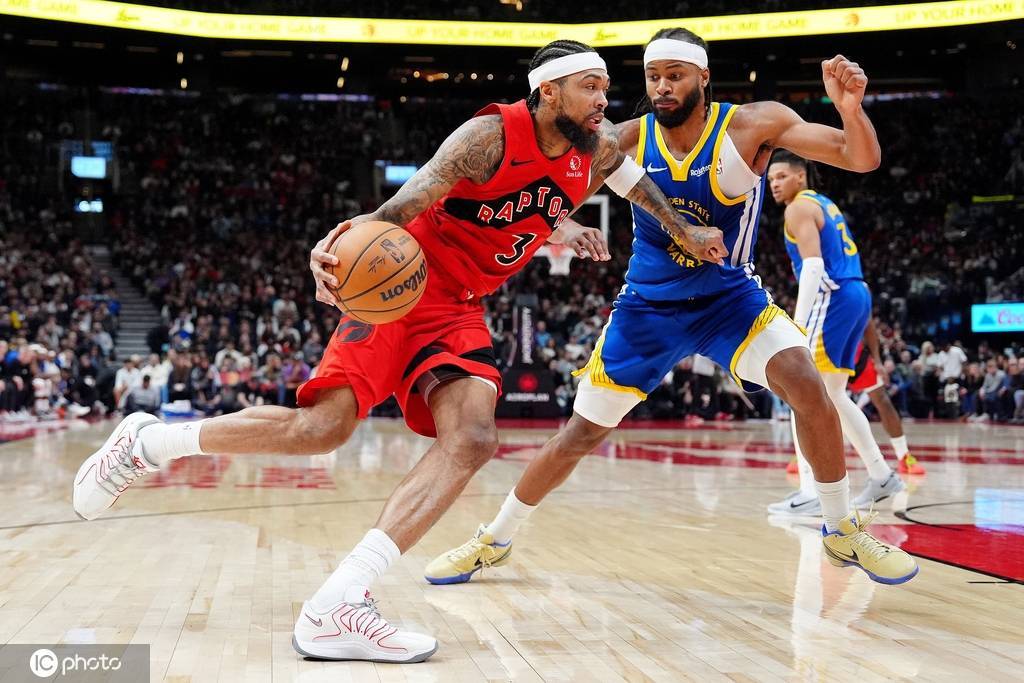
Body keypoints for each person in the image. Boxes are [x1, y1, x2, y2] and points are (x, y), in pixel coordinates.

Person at [72, 39, 726, 664]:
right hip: (404, 283)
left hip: (461, 305)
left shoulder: (597, 147)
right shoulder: (488, 136)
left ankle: (339, 601)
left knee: (472, 439)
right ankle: (149, 444)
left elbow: (636, 188)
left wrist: (682, 230)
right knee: (322, 429)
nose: (604, 99)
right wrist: (335, 248)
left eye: (606, 87)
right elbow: (405, 203)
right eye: (590, 87)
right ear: (548, 92)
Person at [427, 29, 917, 589]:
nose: (661, 87)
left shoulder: (754, 124)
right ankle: (494, 539)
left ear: (703, 77)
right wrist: (564, 228)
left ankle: (841, 529)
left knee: (807, 383)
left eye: (674, 76)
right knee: (579, 434)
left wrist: (850, 109)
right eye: (653, 76)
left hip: (729, 300)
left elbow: (861, 157)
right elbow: (545, 198)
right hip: (648, 309)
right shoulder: (624, 139)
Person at [766, 152, 910, 509]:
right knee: (833, 394)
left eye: (781, 176)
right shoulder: (823, 203)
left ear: (801, 176)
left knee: (800, 391)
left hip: (832, 297)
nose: (775, 184)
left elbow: (814, 266)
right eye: (771, 180)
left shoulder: (798, 207)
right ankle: (881, 476)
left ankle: (811, 492)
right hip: (856, 292)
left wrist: (798, 322)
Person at [846, 322, 925, 474]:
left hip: (856, 354)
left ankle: (903, 455)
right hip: (824, 350)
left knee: (883, 401)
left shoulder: (861, 305)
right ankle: (804, 458)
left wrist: (877, 361)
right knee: (812, 403)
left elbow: (868, 324)